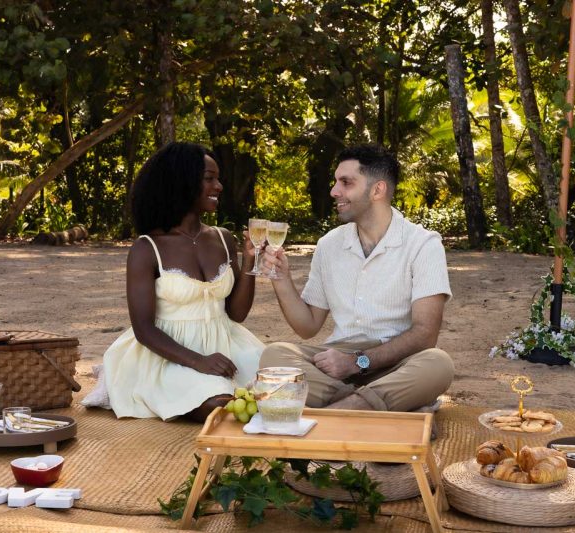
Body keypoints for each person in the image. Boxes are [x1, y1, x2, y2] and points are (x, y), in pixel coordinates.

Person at [259, 144, 454, 414]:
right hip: (337, 365)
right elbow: (308, 327)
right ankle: (376, 407)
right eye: (335, 182)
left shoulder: (423, 244)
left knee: (438, 364)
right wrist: (281, 279)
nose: (334, 191)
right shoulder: (329, 244)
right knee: (274, 356)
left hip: (397, 361)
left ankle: (333, 414)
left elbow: (425, 334)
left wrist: (357, 362)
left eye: (346, 182)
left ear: (377, 190)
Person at [83, 142, 263, 422]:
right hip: (168, 353)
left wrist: (251, 261)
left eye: (218, 178)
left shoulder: (224, 238)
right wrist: (199, 362)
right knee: (220, 404)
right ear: (181, 182)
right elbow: (143, 329)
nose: (219, 186)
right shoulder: (147, 247)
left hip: (225, 343)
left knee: (281, 387)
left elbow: (236, 314)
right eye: (209, 178)